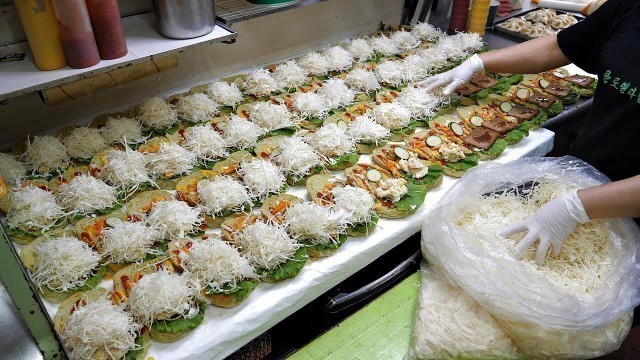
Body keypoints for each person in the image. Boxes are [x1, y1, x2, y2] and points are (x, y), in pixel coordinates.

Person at [420, 0, 640, 264]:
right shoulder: (630, 7)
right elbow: (558, 46)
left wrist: (578, 206)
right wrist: (479, 62)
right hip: (581, 172)